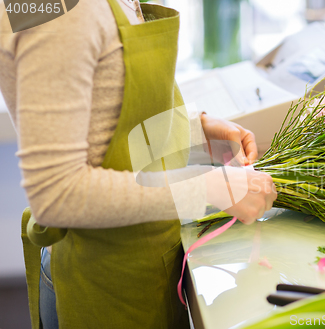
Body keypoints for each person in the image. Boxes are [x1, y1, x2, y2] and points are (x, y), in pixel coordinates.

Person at [0, 0, 277, 328]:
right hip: (103, 287)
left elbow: (102, 112)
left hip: (144, 265)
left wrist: (193, 131)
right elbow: (58, 195)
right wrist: (207, 188)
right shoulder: (62, 14)